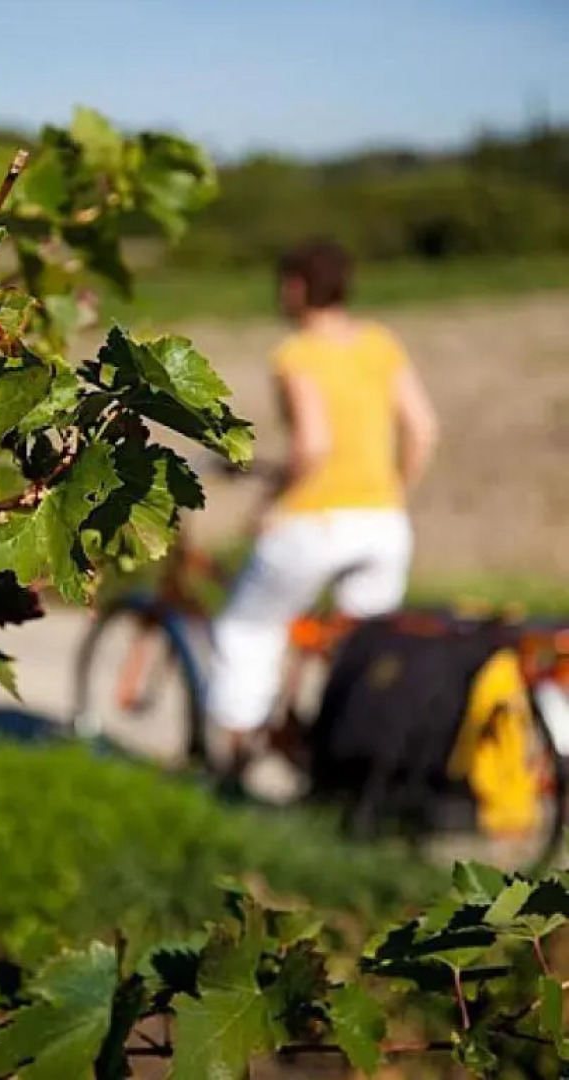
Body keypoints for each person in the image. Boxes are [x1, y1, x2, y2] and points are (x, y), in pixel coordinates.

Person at [206, 237, 439, 788]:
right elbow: (423, 428)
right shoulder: (380, 343)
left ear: (295, 287)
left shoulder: (297, 354)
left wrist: (271, 505)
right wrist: (391, 491)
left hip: (315, 524)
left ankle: (232, 770)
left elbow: (312, 446)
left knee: (247, 629)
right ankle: (353, 770)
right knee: (361, 654)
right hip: (383, 524)